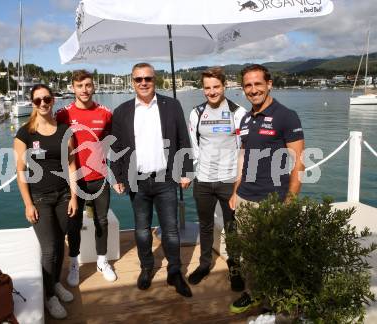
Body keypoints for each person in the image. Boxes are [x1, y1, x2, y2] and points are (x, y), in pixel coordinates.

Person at [110, 62, 193, 297]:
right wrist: (117, 176)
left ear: (155, 80)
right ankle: (146, 267)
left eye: (148, 78)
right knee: (142, 230)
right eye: (138, 79)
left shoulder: (172, 105)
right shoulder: (122, 111)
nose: (144, 83)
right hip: (136, 180)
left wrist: (186, 170)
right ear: (132, 82)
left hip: (166, 178)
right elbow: (115, 148)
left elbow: (183, 140)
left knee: (171, 230)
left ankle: (175, 271)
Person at [228, 64, 305, 314]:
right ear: (243, 89)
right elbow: (244, 158)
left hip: (273, 200)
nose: (253, 90)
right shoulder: (246, 118)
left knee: (275, 257)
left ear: (269, 84)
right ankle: (254, 293)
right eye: (248, 85)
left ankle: (275, 306)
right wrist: (235, 191)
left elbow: (299, 163)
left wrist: (290, 202)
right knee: (250, 255)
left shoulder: (286, 116)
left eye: (258, 84)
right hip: (246, 198)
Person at [14, 84, 78, 320]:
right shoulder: (25, 133)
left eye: (47, 99)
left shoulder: (64, 130)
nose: (43, 103)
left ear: (53, 101)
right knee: (49, 248)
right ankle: (49, 295)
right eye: (38, 100)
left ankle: (55, 283)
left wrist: (73, 196)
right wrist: (28, 204)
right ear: (32, 103)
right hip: (39, 197)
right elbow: (20, 171)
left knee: (60, 243)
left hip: (63, 195)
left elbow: (71, 165)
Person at [187, 67, 247, 291]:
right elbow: (194, 147)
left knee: (232, 227)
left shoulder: (237, 112)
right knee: (205, 225)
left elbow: (243, 150)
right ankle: (204, 265)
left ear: (224, 86)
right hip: (203, 181)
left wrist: (238, 183)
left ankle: (235, 270)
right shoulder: (196, 113)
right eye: (207, 88)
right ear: (203, 89)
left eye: (216, 87)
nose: (211, 92)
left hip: (228, 180)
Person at [56, 70, 117, 286]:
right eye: (80, 86)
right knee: (74, 223)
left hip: (99, 176)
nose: (84, 90)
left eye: (88, 85)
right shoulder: (63, 114)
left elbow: (112, 144)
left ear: (94, 86)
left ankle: (102, 261)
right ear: (73, 87)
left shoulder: (105, 113)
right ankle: (74, 263)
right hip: (73, 180)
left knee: (101, 221)